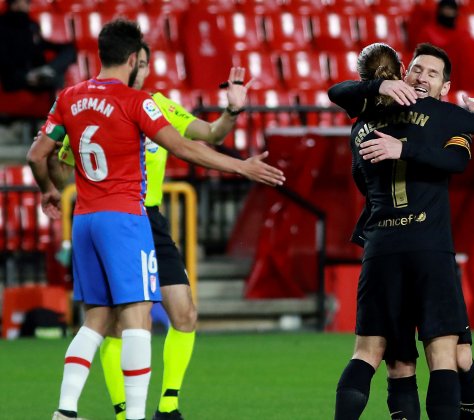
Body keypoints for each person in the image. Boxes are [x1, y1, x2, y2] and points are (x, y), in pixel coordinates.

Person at [27, 18, 284, 420]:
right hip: (127, 217)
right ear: (133, 60)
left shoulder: (72, 98)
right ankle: (130, 414)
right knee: (135, 319)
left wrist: (49, 191)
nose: (143, 70)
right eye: (141, 63)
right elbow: (185, 147)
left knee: (107, 317)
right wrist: (241, 167)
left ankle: (71, 410)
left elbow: (38, 155)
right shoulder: (137, 104)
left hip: (93, 218)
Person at [328, 42, 474, 420]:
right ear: (401, 75)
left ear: (444, 85)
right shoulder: (443, 116)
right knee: (441, 356)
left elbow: (338, 95)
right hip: (428, 246)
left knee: (376, 356)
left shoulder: (361, 125)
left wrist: (378, 99)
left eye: (432, 73)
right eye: (417, 69)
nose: (422, 76)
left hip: (380, 246)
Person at [0, 0, 76, 94]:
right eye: (25, 2)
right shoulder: (2, 25)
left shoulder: (31, 24)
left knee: (69, 50)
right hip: (18, 76)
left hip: (37, 69)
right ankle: (43, 74)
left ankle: (45, 71)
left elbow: (40, 44)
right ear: (14, 4)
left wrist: (62, 47)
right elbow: (4, 58)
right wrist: (27, 74)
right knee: (58, 79)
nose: (28, 4)